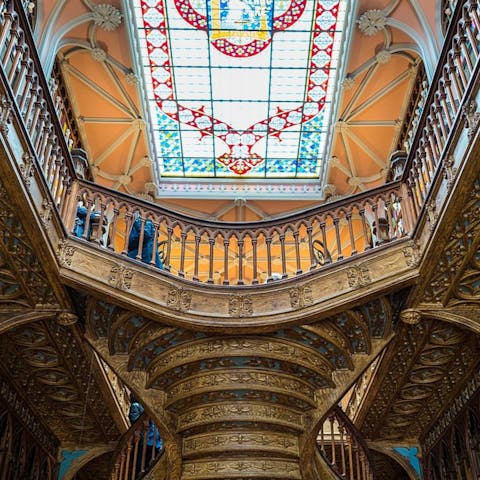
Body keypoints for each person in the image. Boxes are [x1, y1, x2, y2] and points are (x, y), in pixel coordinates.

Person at [128, 394, 163, 478]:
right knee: (140, 468)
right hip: (144, 441)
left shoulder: (154, 408)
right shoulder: (136, 405)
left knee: (152, 466)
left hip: (157, 442)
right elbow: (134, 421)